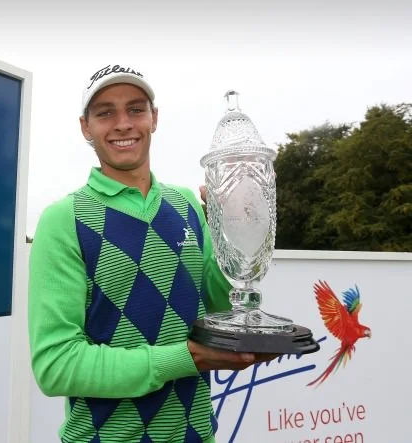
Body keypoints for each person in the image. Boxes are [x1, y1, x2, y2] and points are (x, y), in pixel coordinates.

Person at [28, 64, 272, 443]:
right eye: (105, 112)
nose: (123, 123)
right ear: (85, 127)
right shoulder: (65, 219)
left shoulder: (186, 204)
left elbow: (222, 305)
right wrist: (187, 358)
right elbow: (56, 365)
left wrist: (237, 231)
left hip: (197, 434)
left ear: (154, 118)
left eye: (135, 109)